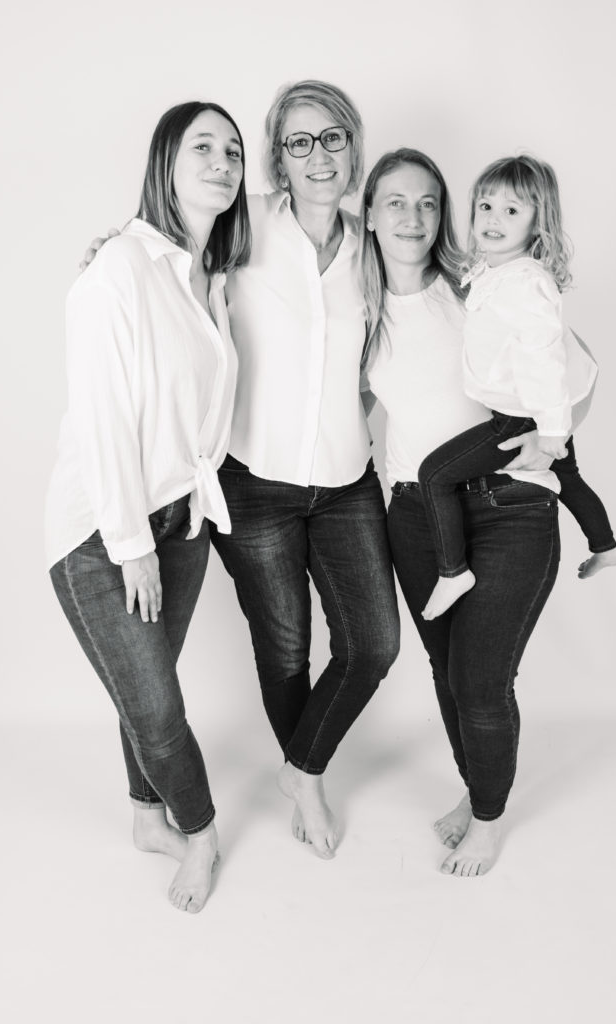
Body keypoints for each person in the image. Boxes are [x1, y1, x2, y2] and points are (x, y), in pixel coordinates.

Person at [46, 101, 251, 912]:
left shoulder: (212, 278)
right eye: (201, 146)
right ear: (164, 162)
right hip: (105, 530)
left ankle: (145, 818)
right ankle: (199, 833)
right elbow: (102, 416)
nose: (222, 161)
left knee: (148, 689)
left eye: (234, 151)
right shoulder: (119, 269)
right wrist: (130, 543)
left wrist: (185, 518)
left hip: (184, 520)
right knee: (158, 708)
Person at [360, 148, 565, 876]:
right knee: (448, 672)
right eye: (394, 201)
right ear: (370, 214)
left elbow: (569, 369)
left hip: (510, 508)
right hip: (418, 512)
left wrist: (544, 446)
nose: (412, 216)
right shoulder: (354, 307)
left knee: (481, 680)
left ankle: (486, 819)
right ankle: (477, 787)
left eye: (427, 202)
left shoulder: (484, 284)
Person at [209, 81, 400, 859]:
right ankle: (310, 780)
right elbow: (165, 243)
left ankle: (298, 766)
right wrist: (111, 246)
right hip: (253, 481)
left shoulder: (377, 245)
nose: (317, 155)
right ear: (277, 160)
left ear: (353, 146)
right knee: (284, 648)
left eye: (331, 139)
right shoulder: (243, 224)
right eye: (298, 142)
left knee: (373, 644)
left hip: (347, 480)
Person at [416, 155, 616, 619]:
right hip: (533, 412)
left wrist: (552, 432)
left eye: (512, 211)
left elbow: (543, 357)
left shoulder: (525, 284)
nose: (494, 219)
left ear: (538, 222)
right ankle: (605, 545)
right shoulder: (496, 271)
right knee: (568, 479)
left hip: (521, 418)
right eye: (486, 207)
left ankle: (454, 573)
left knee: (433, 475)